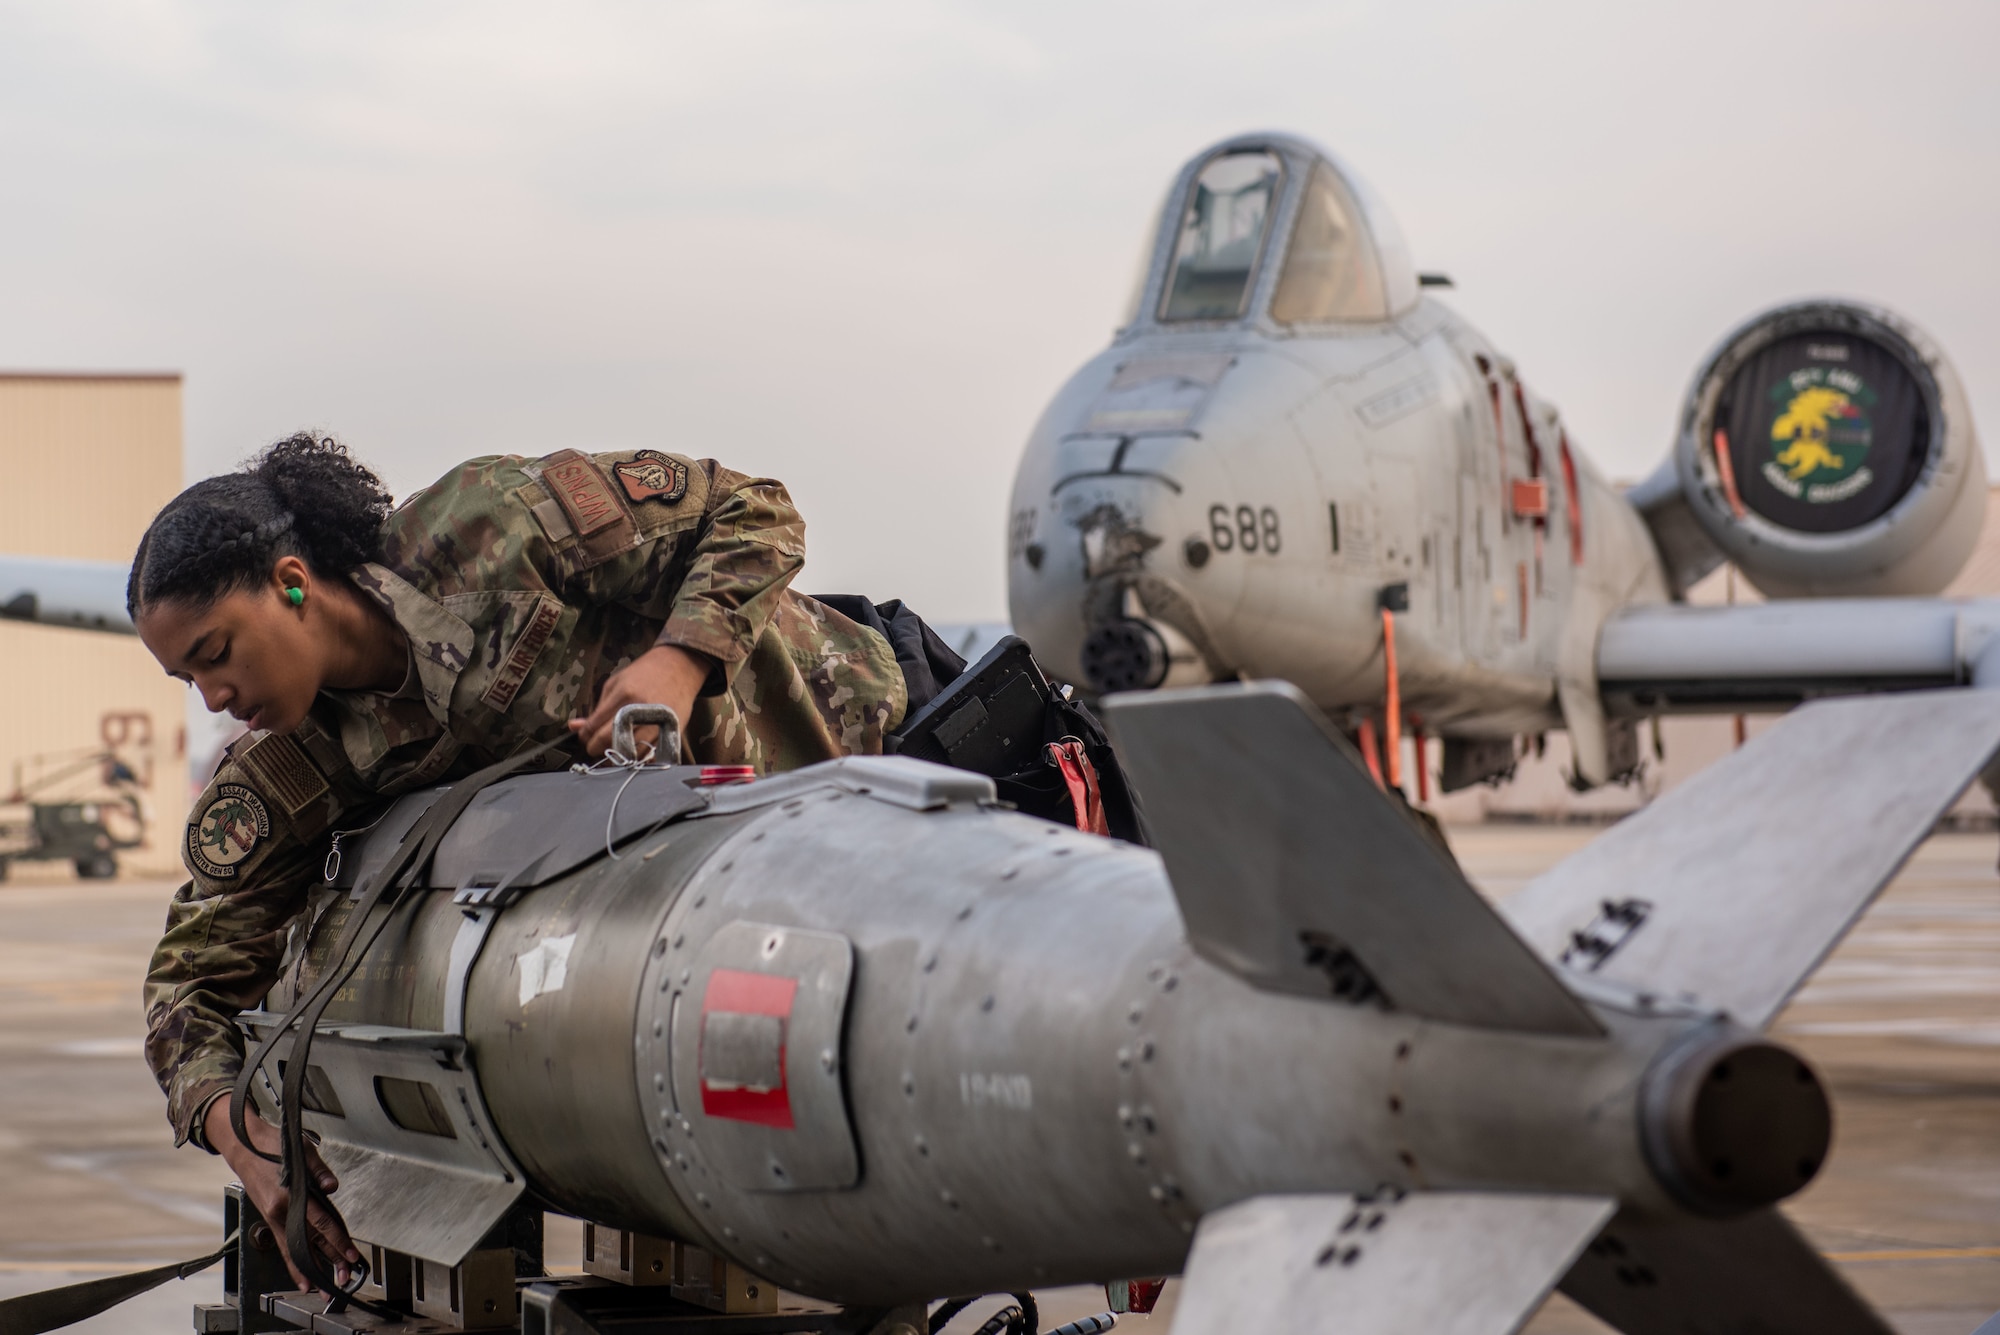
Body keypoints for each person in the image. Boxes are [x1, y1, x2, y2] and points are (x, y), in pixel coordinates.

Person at [133, 434, 909, 1289]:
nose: (212, 695)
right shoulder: (296, 764)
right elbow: (186, 984)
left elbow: (757, 510)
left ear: (290, 582)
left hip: (884, 749)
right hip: (762, 897)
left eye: (215, 651)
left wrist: (678, 659)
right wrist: (240, 1139)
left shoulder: (485, 530)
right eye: (185, 678)